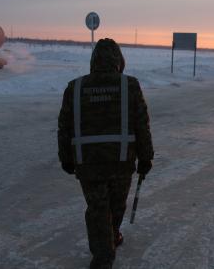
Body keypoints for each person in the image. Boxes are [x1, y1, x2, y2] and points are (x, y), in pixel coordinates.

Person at [57, 38, 154, 269]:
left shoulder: (75, 87)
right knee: (116, 206)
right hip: (121, 162)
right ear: (119, 60)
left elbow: (64, 126)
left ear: (94, 61)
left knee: (98, 209)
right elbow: (142, 124)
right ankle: (105, 255)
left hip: (88, 164)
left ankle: (105, 246)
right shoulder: (129, 85)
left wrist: (65, 158)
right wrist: (146, 156)